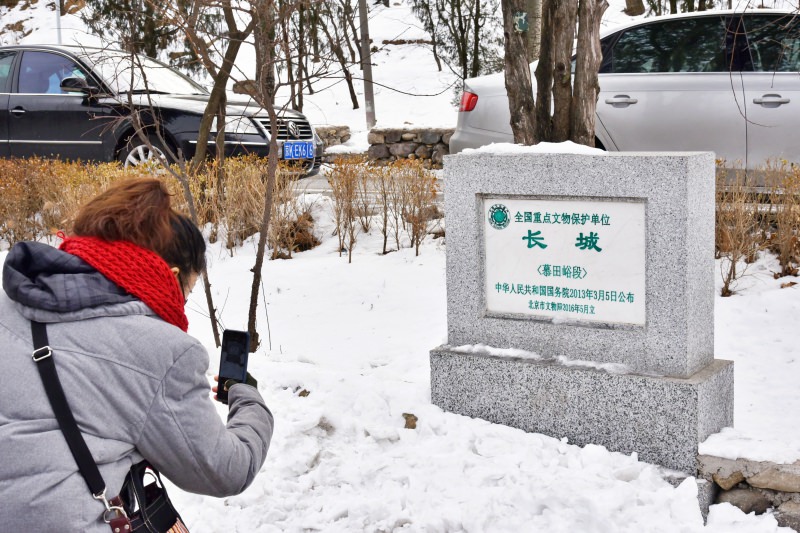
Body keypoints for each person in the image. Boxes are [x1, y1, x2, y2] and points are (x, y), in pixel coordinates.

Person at [0, 177, 274, 531]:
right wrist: (249, 398)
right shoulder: (162, 352)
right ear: (172, 276)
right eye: (186, 292)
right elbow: (226, 471)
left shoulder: (11, 299)